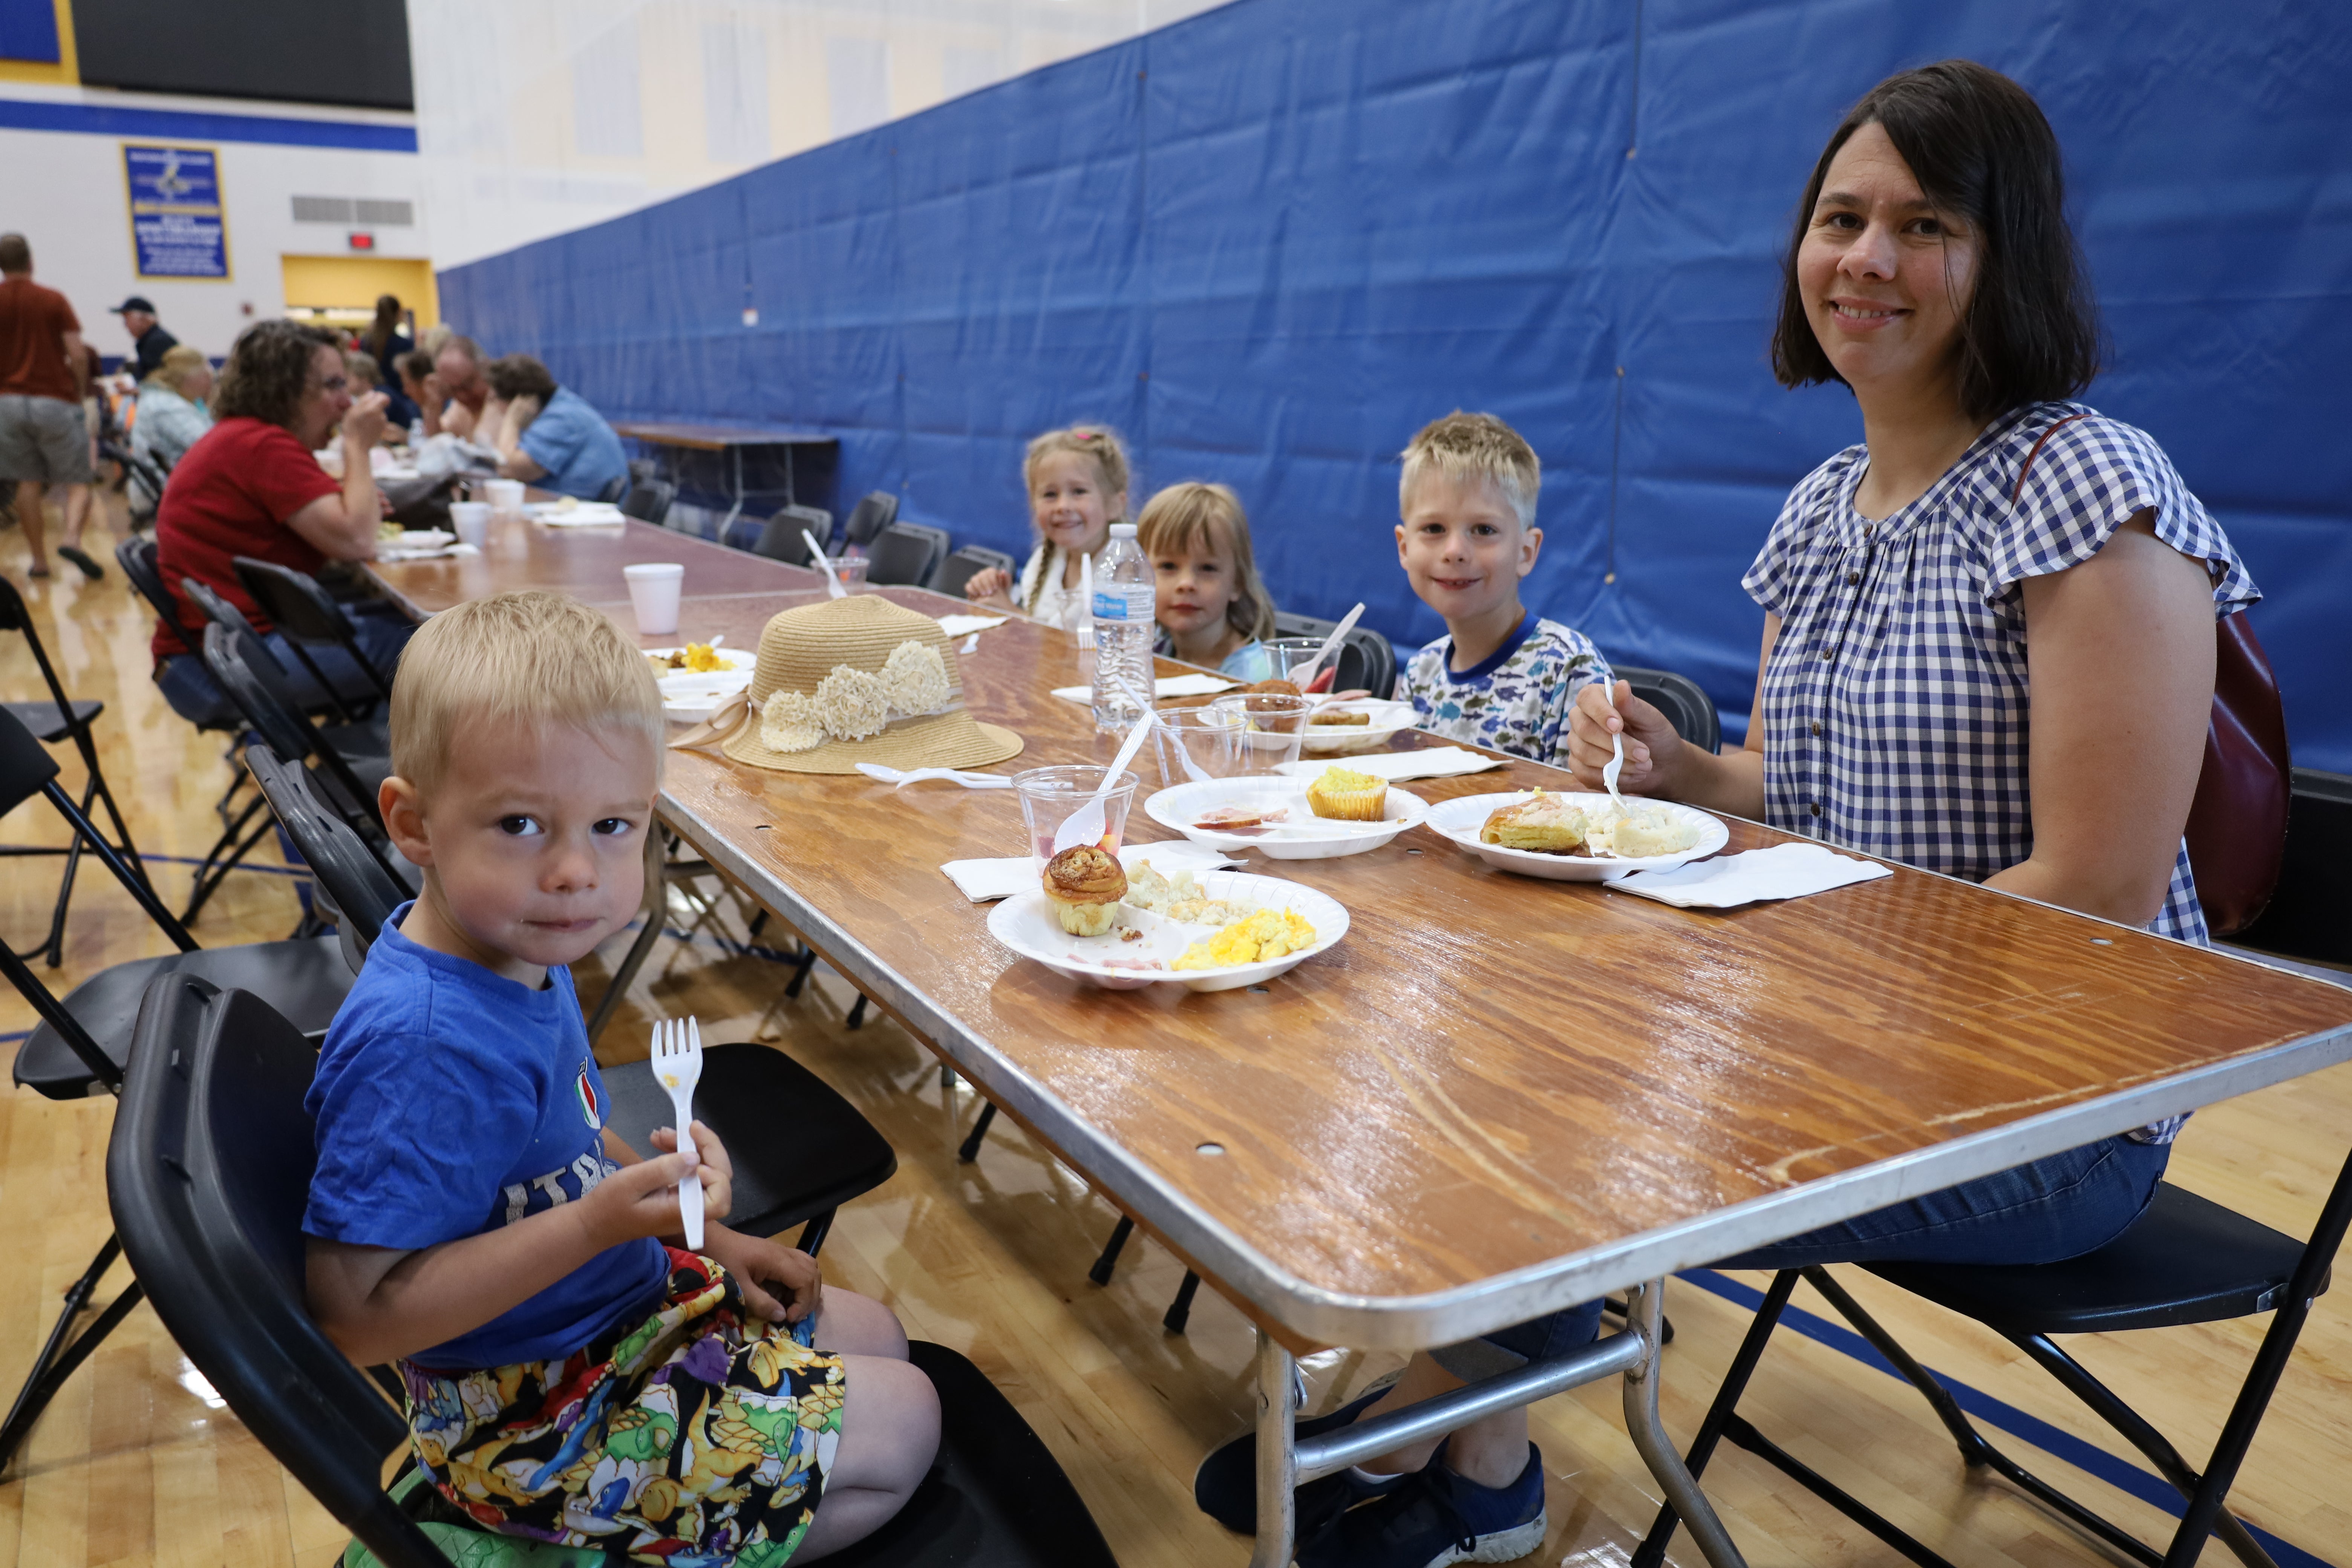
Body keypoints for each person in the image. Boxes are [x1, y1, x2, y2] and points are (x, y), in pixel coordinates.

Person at [1194, 61, 2254, 1568]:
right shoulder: (1822, 506)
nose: (1867, 260)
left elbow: (2092, 889)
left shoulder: (2092, 487)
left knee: (1607, 1118)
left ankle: (1420, 1411)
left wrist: (1788, 995)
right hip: (1831, 1024)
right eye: (1841, 218)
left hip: (2057, 1096)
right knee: (1529, 1041)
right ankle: (1484, 1461)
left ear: (2003, 254)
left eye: (1925, 223)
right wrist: (1679, 773)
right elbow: (1784, 786)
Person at [303, 589, 940, 1561]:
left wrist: (716, 1236)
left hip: (619, 1311)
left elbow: (560, 1132)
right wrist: (601, 1222)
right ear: (415, 823)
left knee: (880, 1335)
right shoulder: (424, 1047)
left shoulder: (518, 945)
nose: (575, 872)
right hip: (530, 1414)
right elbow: (355, 1319)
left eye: (615, 826)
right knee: (906, 1423)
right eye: (520, 824)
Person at [149, 318, 409, 720]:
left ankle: (367, 761)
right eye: (333, 385)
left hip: (216, 649)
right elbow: (358, 540)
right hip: (223, 663)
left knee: (402, 624)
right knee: (433, 651)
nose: (346, 402)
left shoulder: (246, 437)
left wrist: (352, 508)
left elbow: (346, 523)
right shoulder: (263, 445)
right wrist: (357, 446)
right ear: (283, 391)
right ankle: (383, 773)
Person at [1392, 412, 1612, 766]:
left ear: (1526, 552)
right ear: (1404, 548)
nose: (1455, 552)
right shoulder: (1421, 673)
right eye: (1434, 528)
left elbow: (1588, 813)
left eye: (1483, 530)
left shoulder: (1569, 670)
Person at [962, 424, 1130, 631]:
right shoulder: (1045, 559)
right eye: (1050, 495)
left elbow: (1083, 647)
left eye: (1079, 491)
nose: (1063, 506)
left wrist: (1012, 614)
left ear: (1115, 504)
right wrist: (995, 596)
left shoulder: (1126, 572)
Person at [0, 234, 101, 580]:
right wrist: (77, 391)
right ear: (31, 261)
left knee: (27, 482)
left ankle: (39, 561)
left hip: (7, 404)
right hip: (54, 400)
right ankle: (72, 538)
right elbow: (77, 353)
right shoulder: (53, 300)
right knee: (78, 481)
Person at [1135, 481, 1276, 681]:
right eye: (1168, 566)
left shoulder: (1254, 677)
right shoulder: (1158, 650)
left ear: (1238, 582)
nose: (1186, 584)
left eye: (1207, 568)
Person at [484, 352, 628, 501]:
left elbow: (511, 468)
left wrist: (512, 421)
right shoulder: (557, 409)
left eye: (494, 400)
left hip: (585, 514)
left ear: (520, 402)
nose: (494, 407)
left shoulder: (562, 418)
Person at [127, 343, 214, 513]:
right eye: (207, 375)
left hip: (164, 487)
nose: (210, 381)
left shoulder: (160, 398)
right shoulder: (168, 408)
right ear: (190, 378)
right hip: (170, 494)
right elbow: (213, 448)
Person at [430, 334, 502, 442]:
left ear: (486, 367)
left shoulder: (505, 399)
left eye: (467, 385)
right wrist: (434, 407)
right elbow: (438, 444)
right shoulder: (460, 407)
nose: (462, 396)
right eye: (453, 390)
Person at [361, 294, 418, 430]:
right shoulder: (404, 344)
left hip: (373, 398)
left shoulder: (367, 342)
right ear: (398, 313)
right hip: (400, 401)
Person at [109, 293, 179, 381]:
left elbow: (159, 381)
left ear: (144, 319)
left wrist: (135, 390)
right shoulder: (152, 340)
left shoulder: (157, 342)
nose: (125, 325)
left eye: (127, 319)